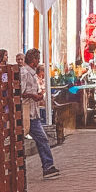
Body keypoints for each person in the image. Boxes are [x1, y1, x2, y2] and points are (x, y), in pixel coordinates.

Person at [21, 48, 60, 179]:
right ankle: (48, 166)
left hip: (34, 112)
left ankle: (47, 165)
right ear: (33, 60)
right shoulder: (25, 73)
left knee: (40, 139)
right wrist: (33, 96)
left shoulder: (31, 74)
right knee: (42, 139)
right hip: (28, 113)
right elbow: (20, 93)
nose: (38, 62)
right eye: (37, 59)